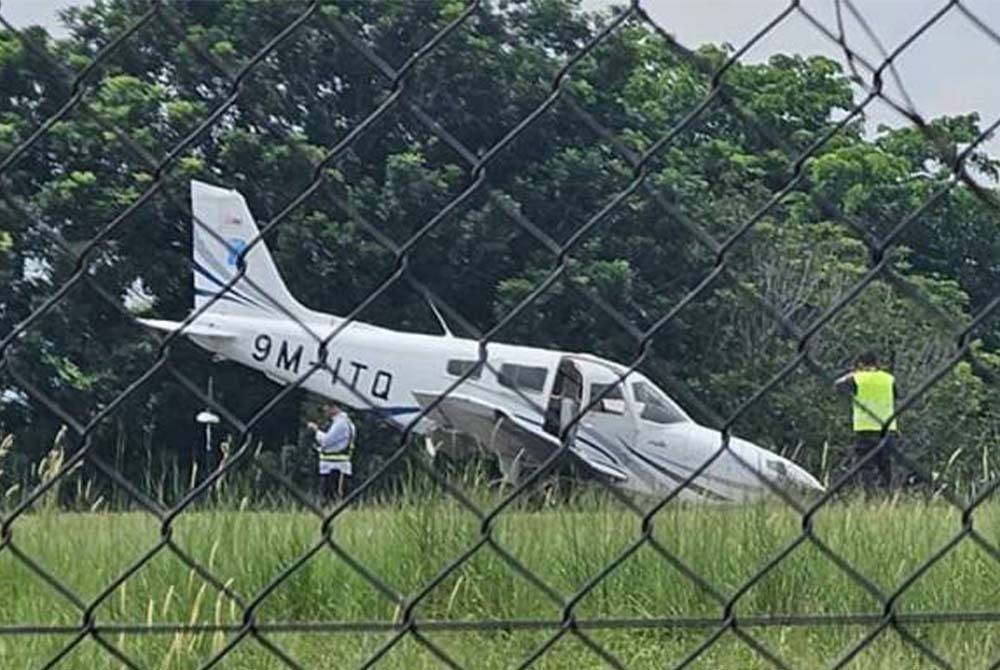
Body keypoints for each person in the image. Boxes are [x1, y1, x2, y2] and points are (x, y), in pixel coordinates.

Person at [834, 351, 899, 493]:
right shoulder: (888, 378)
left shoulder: (857, 378)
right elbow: (895, 395)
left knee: (865, 467)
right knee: (886, 466)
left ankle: (869, 496)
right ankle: (889, 496)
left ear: (860, 364)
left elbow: (837, 386)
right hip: (887, 428)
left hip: (865, 428)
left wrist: (850, 374)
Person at [306, 403, 356, 503]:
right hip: (334, 467)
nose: (325, 409)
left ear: (334, 407)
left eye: (327, 406)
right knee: (331, 499)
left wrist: (316, 431)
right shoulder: (345, 422)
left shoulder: (340, 424)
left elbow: (326, 441)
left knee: (333, 500)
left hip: (335, 469)